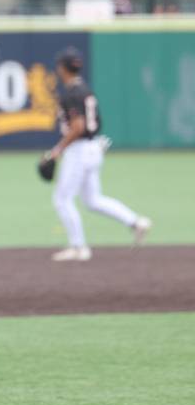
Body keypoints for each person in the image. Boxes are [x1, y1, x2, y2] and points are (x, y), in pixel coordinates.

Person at [46, 47, 151, 261]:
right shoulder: (85, 89)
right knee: (92, 200)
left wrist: (57, 150)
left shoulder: (72, 94)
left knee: (62, 199)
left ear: (62, 69)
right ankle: (135, 222)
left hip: (79, 150)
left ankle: (78, 247)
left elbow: (77, 127)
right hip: (94, 148)